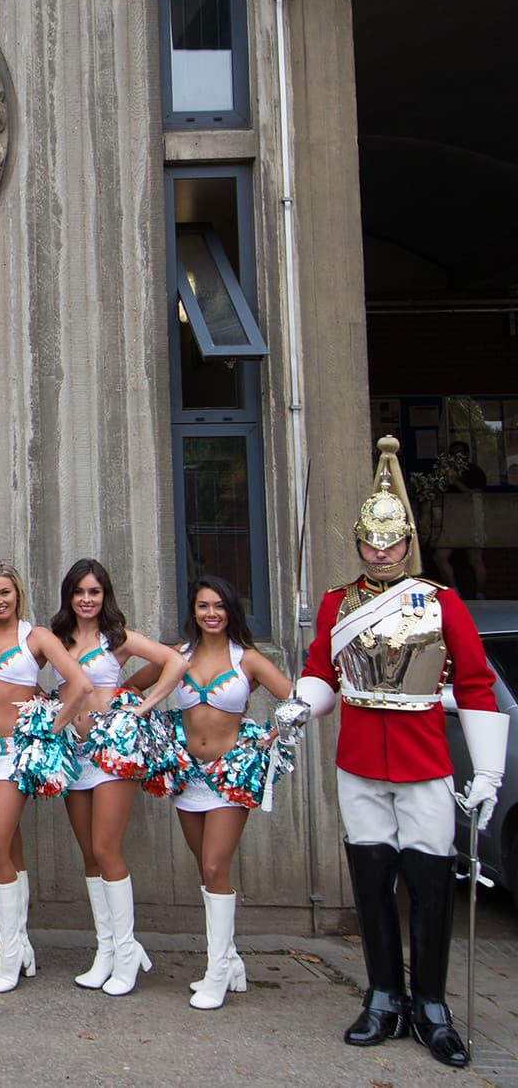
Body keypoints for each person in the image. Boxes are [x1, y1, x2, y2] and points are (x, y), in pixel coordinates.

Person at [282, 436, 506, 1069]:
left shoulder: (441, 602)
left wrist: (488, 771)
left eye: (392, 543)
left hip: (423, 762)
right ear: (358, 543)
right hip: (359, 761)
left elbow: (475, 684)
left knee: (430, 883)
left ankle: (431, 1004)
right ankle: (383, 994)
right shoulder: (336, 603)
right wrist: (301, 701)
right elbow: (323, 672)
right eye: (371, 544)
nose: (381, 553)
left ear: (407, 543)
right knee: (371, 878)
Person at [127, 573, 292, 1008]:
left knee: (216, 865)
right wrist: (153, 731)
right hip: (188, 776)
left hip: (229, 775)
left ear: (231, 610)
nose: (211, 613)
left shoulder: (247, 659)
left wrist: (267, 739)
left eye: (219, 605)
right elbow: (132, 688)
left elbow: (296, 701)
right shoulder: (178, 655)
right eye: (203, 606)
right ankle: (231, 959)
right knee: (206, 868)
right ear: (194, 611)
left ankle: (216, 972)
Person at [50, 558, 187, 997]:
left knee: (107, 848)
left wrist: (143, 706)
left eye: (94, 591)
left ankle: (126, 951)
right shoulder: (58, 638)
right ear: (69, 596)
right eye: (79, 592)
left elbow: (174, 661)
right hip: (73, 753)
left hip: (111, 753)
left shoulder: (118, 638)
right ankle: (106, 950)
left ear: (105, 595)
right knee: (90, 854)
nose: (86, 599)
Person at [0, 561, 89, 993]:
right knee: (9, 850)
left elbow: (80, 684)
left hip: (15, 755)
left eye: (5, 592)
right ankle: (21, 949)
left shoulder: (35, 637)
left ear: (18, 593)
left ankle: (8, 956)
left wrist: (50, 729)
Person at [433, 440, 487, 598]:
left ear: (467, 455)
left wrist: (456, 481)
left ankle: (481, 595)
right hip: (452, 522)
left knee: (475, 559)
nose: (456, 457)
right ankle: (454, 591)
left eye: (459, 453)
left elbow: (476, 495)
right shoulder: (444, 475)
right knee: (440, 556)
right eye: (452, 454)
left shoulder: (475, 472)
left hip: (472, 521)